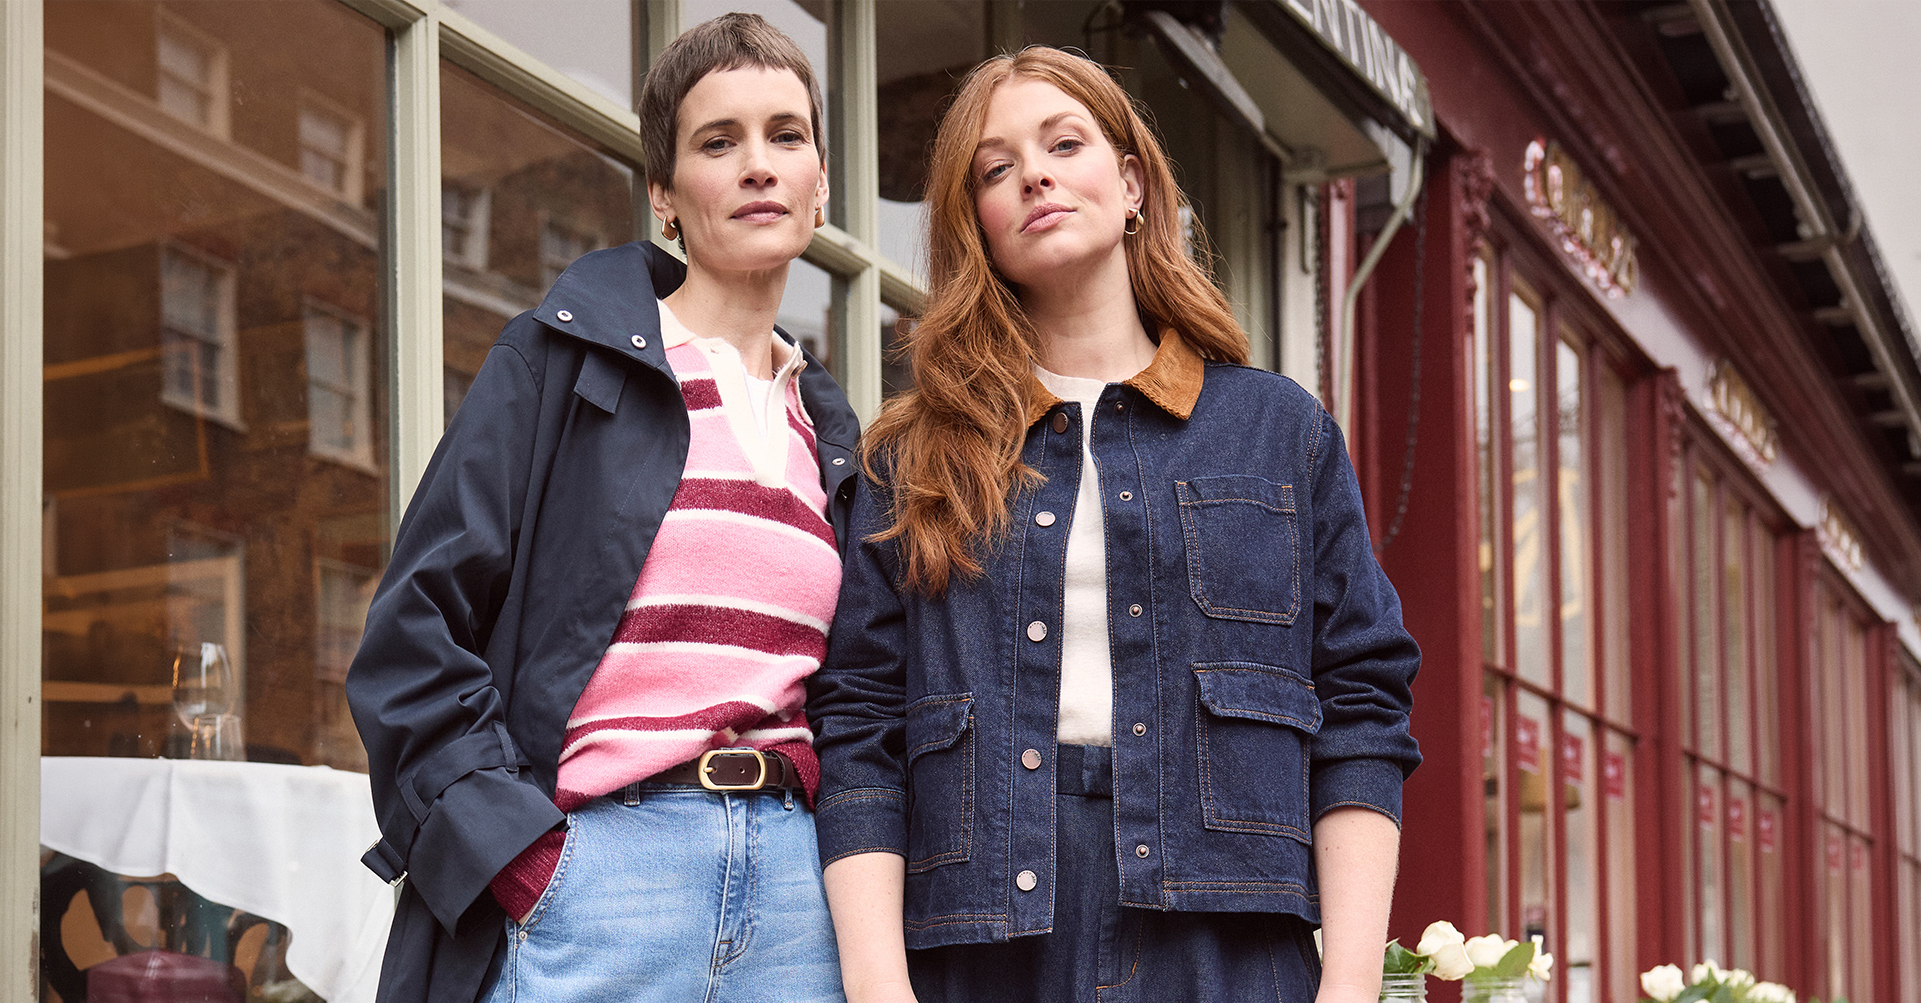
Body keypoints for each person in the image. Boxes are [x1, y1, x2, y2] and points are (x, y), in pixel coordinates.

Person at [807, 47, 1420, 1003]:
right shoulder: (915, 456)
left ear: (1132, 181)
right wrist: (881, 987)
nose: (1035, 176)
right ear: (978, 225)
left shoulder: (1276, 432)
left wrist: (1348, 984)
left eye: (1064, 143)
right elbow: (859, 724)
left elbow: (1362, 705)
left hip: (1229, 937)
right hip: (985, 939)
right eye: (996, 169)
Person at [346, 14, 856, 1003]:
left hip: (799, 900)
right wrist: (525, 864)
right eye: (718, 142)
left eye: (784, 136)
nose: (758, 165)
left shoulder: (829, 432)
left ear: (820, 181)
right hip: (601, 878)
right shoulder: (559, 367)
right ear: (664, 195)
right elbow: (410, 641)